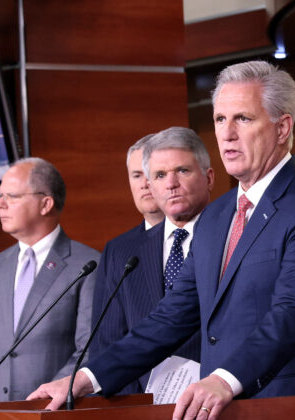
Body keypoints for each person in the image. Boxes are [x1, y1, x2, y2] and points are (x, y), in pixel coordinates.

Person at [28, 60, 295, 420]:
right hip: (226, 412)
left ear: (282, 128)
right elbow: (171, 317)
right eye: (220, 119)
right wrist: (84, 379)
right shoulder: (216, 217)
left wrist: (224, 379)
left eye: (243, 119)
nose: (227, 134)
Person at [0, 157, 99, 403]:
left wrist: (42, 404)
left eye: (11, 196)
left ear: (45, 204)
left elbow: (88, 350)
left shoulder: (88, 265)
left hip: (54, 412)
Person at [91, 127, 213, 394]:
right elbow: (107, 342)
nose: (170, 183)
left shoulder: (230, 234)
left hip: (220, 400)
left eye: (182, 171)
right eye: (158, 175)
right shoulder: (121, 252)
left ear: (209, 177)